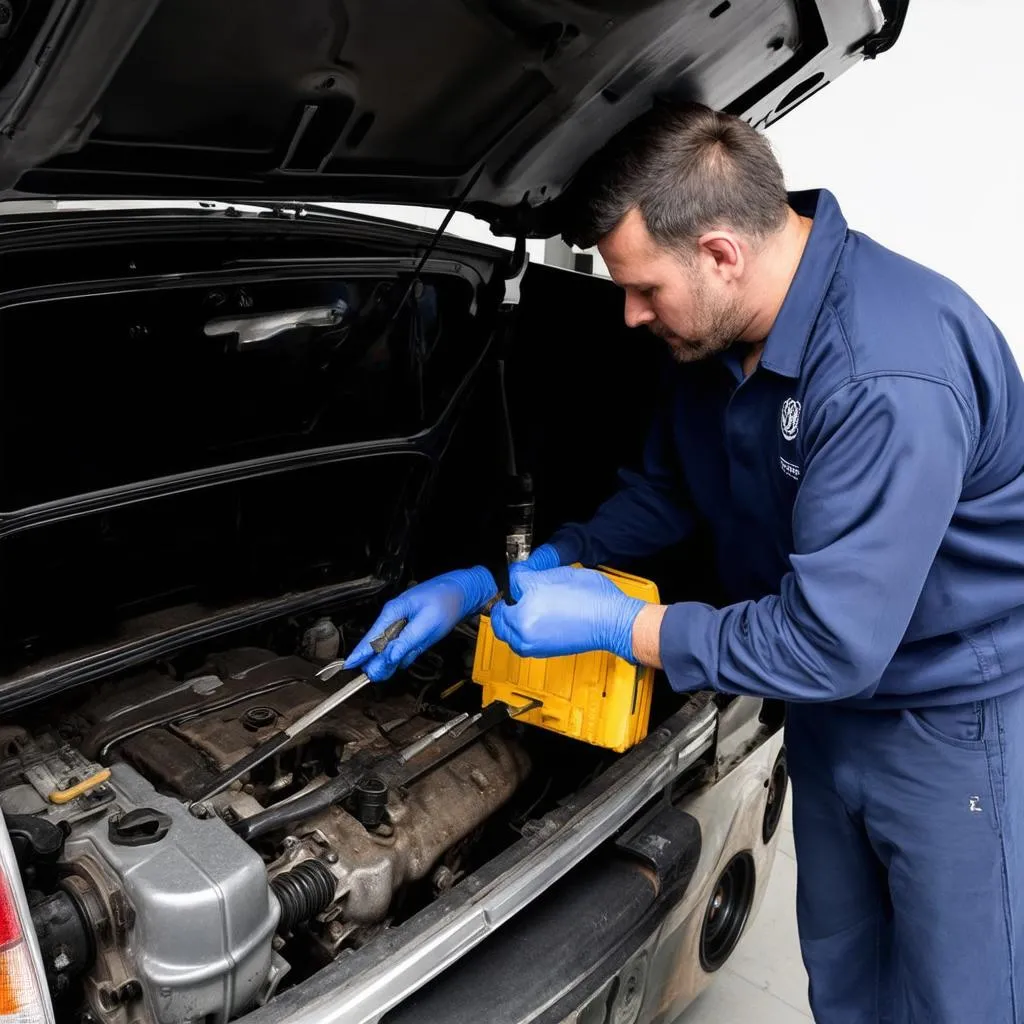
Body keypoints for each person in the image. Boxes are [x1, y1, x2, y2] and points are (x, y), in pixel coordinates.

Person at [344, 102, 1024, 1023]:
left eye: (644, 289)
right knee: (845, 970)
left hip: (947, 724)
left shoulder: (885, 376)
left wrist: (623, 626)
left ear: (720, 253)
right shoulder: (720, 336)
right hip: (829, 714)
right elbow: (665, 495)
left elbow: (831, 644)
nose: (628, 314)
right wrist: (515, 574)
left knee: (962, 998)